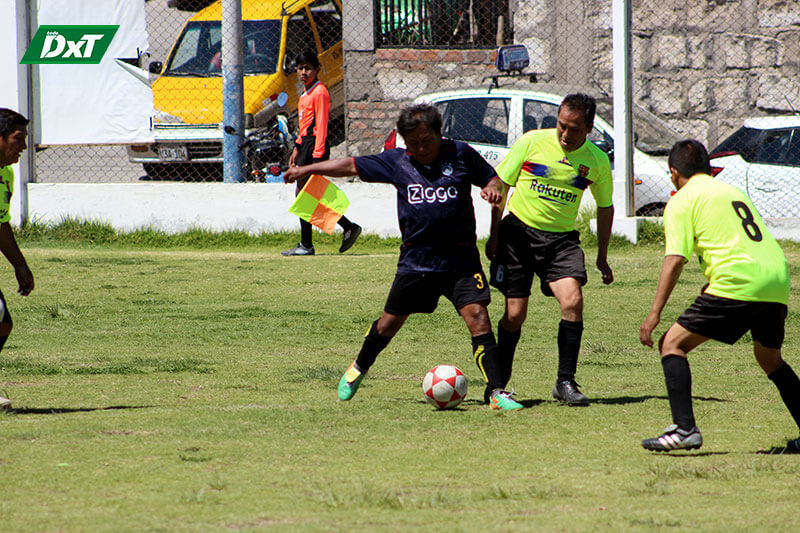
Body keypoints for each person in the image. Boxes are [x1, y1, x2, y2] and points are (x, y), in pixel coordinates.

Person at [283, 103, 522, 410]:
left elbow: (494, 179)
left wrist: (492, 190)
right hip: (417, 262)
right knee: (388, 324)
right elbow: (350, 165)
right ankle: (359, 366)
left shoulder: (461, 154)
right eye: (413, 143)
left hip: (460, 260)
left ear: (439, 134)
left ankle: (497, 392)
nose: (421, 149)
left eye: (427, 141)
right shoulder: (398, 162)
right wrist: (306, 169)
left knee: (478, 318)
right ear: (403, 141)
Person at [639, 139, 800, 451]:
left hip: (737, 282)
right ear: (708, 167)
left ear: (673, 172)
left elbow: (675, 260)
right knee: (770, 359)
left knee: (671, 344)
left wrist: (654, 313)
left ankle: (684, 429)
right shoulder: (731, 192)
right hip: (776, 280)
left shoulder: (683, 200)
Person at [483, 93, 614, 406]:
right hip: (518, 235)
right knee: (514, 315)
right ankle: (498, 383)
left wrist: (602, 256)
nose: (566, 135)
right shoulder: (532, 142)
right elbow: (501, 185)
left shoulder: (595, 160)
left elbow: (606, 207)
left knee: (573, 301)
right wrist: (494, 234)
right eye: (561, 126)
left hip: (561, 241)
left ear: (590, 127)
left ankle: (565, 382)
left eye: (574, 129)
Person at [282, 49, 361, 256]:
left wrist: (317, 155)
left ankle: (308, 244)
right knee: (306, 193)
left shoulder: (320, 92)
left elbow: (322, 125)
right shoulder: (305, 93)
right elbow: (304, 125)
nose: (304, 72)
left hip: (315, 147)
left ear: (317, 69)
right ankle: (346, 227)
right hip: (305, 145)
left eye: (308, 68)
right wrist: (297, 147)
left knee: (305, 193)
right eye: (300, 68)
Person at [0, 108, 35, 410]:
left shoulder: (5, 173)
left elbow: (0, 224)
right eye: (18, 139)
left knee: (3, 324)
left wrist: (20, 265)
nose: (23, 146)